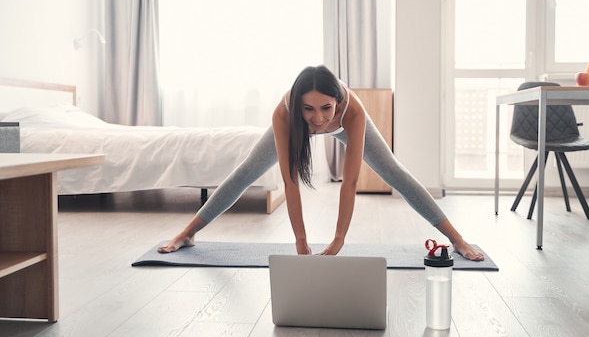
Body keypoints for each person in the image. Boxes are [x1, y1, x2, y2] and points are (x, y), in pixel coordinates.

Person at [158, 65, 484, 260]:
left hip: (351, 123)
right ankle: (188, 233)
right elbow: (290, 182)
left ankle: (457, 239)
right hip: (289, 127)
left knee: (394, 173)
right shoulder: (285, 114)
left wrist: (339, 237)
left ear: (338, 102)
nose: (318, 119)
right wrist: (300, 239)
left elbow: (351, 182)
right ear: (297, 106)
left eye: (326, 108)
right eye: (309, 109)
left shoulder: (352, 111)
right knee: (246, 172)